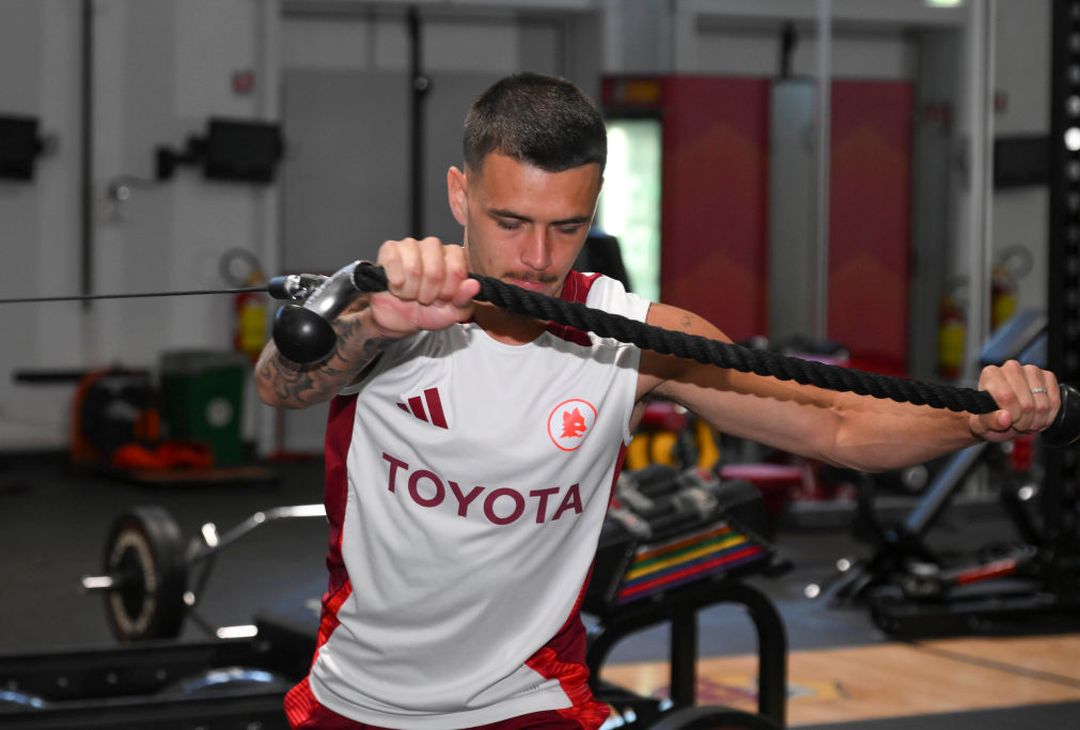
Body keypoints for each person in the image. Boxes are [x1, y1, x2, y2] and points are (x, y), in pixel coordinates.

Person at [255, 72, 1061, 730]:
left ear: (596, 207)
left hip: (532, 702)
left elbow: (835, 423)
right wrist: (373, 326)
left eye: (566, 227)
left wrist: (976, 418)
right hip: (356, 702)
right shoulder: (386, 305)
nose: (536, 259)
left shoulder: (632, 337)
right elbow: (280, 383)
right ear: (460, 194)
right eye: (511, 221)